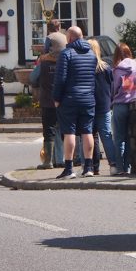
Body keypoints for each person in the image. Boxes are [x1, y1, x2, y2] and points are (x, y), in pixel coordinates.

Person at [52, 26, 97, 179]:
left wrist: (56, 99)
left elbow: (60, 79)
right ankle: (89, 167)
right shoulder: (92, 54)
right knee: (87, 131)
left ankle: (69, 168)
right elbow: (93, 78)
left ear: (69, 38)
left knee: (69, 132)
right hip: (88, 98)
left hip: (70, 99)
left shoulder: (66, 54)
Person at [36, 20, 68, 169]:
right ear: (59, 27)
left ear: (49, 28)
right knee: (63, 129)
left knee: (49, 130)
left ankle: (48, 161)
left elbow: (45, 51)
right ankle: (62, 159)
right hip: (64, 61)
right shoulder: (64, 37)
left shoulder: (49, 37)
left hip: (48, 100)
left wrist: (42, 59)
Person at [111, 43, 136, 175]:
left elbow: (115, 89)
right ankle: (128, 167)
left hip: (120, 105)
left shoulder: (118, 69)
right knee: (130, 138)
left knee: (119, 139)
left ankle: (120, 169)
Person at [87, 38, 118, 175]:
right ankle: (113, 165)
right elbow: (111, 86)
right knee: (106, 135)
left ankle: (94, 167)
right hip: (104, 105)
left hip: (89, 105)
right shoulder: (106, 67)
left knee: (90, 135)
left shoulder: (86, 67)